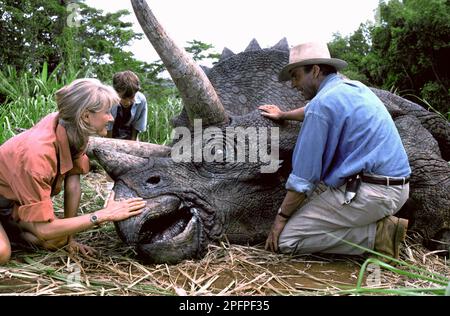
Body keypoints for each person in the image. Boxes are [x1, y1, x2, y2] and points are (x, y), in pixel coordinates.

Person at [259, 42, 411, 260]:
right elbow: (314, 108)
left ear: (316, 70)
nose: (293, 84)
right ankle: (374, 226)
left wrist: (280, 219)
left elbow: (303, 180)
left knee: (288, 240)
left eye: (296, 76)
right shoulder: (353, 88)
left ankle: (378, 236)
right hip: (398, 189)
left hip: (372, 195)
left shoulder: (322, 105)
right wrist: (284, 115)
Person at [0, 78, 147, 264]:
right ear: (86, 116)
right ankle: (12, 234)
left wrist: (70, 239)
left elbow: (73, 183)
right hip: (5, 202)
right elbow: (44, 229)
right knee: (2, 253)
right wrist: (104, 215)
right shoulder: (37, 156)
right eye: (106, 112)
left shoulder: (72, 128)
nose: (111, 118)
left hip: (13, 205)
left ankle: (12, 228)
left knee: (58, 239)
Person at [107, 70, 148, 141]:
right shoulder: (108, 99)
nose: (128, 102)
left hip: (128, 135)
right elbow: (108, 127)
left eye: (131, 98)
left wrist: (132, 144)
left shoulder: (141, 100)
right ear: (116, 92)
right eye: (123, 98)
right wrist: (110, 144)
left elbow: (137, 125)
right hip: (108, 135)